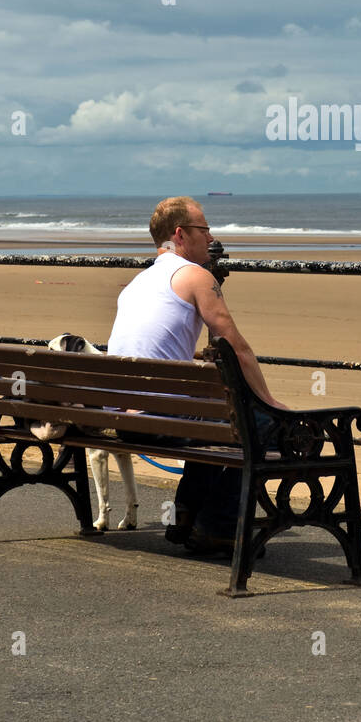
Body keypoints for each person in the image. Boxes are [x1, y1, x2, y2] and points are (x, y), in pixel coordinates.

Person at [107, 196, 286, 555]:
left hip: (121, 416)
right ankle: (217, 527)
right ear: (180, 235)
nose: (211, 236)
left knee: (211, 417)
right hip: (160, 417)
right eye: (204, 229)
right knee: (267, 427)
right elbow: (235, 347)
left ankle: (184, 517)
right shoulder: (195, 276)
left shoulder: (137, 283)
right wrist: (271, 403)